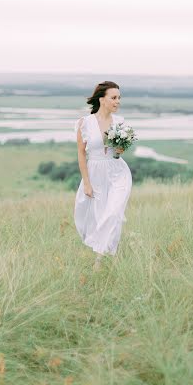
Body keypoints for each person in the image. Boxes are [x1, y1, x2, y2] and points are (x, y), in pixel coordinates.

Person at [74, 81, 133, 270]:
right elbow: (82, 153)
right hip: (95, 173)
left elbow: (120, 152)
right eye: (114, 98)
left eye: (119, 98)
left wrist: (120, 148)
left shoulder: (120, 122)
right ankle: (108, 253)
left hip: (118, 173)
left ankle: (100, 261)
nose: (118, 102)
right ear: (102, 99)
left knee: (113, 213)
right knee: (95, 217)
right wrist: (86, 183)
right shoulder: (85, 123)